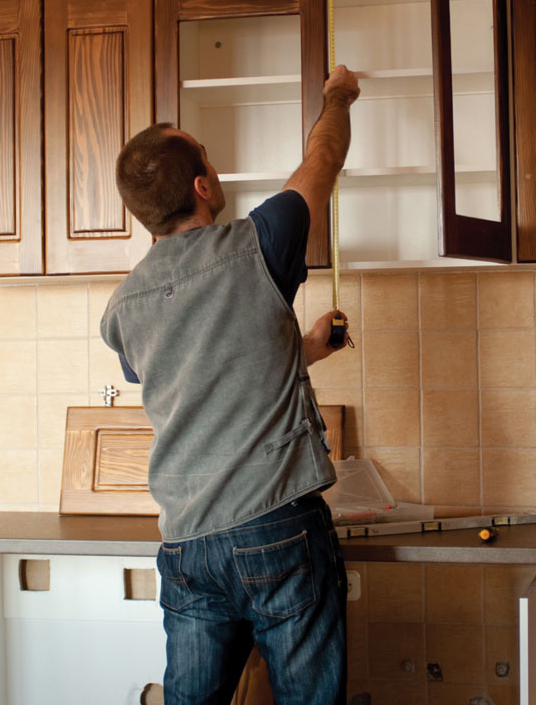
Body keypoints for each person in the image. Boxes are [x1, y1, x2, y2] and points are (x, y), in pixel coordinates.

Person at [100, 65, 361, 705]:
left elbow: (201, 376)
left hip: (188, 545)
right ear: (203, 185)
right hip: (277, 526)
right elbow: (323, 158)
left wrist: (300, 353)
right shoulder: (260, 244)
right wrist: (338, 95)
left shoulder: (121, 310)